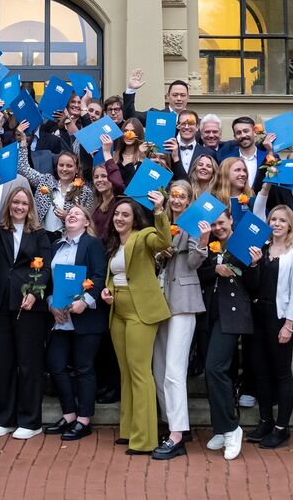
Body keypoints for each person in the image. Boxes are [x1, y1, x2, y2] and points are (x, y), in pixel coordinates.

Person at [0, 186, 54, 439]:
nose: (19, 207)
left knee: (29, 363)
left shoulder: (40, 235)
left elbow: (46, 267)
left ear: (30, 206)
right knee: (3, 362)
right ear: (8, 205)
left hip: (28, 305)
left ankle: (30, 421)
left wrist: (35, 291)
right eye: (15, 203)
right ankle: (4, 418)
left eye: (24, 203)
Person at [99, 194, 170, 456]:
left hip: (141, 311)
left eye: (125, 214)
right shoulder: (116, 244)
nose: (119, 218)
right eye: (117, 214)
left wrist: (160, 209)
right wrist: (107, 290)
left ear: (134, 218)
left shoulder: (144, 235)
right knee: (126, 372)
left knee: (140, 372)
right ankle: (129, 430)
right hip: (118, 310)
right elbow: (117, 276)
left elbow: (164, 241)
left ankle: (145, 439)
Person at [197, 210, 262, 460]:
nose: (217, 227)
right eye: (213, 223)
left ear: (231, 221)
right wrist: (215, 268)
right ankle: (221, 428)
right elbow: (198, 274)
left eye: (221, 222)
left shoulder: (245, 242)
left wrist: (255, 264)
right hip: (208, 313)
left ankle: (233, 428)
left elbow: (255, 284)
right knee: (212, 370)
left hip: (232, 315)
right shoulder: (209, 245)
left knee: (216, 368)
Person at [151, 180, 209, 460]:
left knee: (174, 368)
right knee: (159, 367)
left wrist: (204, 243)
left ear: (189, 200)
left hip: (184, 301)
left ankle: (177, 434)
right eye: (173, 194)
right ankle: (172, 423)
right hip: (160, 299)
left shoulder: (194, 223)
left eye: (182, 196)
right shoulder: (159, 220)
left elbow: (196, 262)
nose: (177, 199)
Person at [246, 205, 293, 450]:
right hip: (258, 316)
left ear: (290, 225)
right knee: (260, 371)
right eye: (273, 219)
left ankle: (282, 427)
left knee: (281, 374)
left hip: (280, 318)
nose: (277, 224)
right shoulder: (261, 249)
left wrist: (289, 325)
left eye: (282, 220)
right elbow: (251, 285)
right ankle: (265, 420)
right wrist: (253, 265)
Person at [44, 206, 107, 442]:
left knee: (83, 367)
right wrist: (51, 303)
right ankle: (69, 415)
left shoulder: (92, 244)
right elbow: (49, 282)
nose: (72, 214)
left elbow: (100, 275)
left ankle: (84, 420)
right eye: (69, 212)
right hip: (60, 317)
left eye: (78, 213)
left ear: (86, 222)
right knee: (56, 364)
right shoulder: (56, 246)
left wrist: (85, 301)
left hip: (85, 316)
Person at [16, 134, 94, 233]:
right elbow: (23, 169)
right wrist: (23, 142)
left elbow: (89, 221)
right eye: (61, 165)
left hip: (67, 239)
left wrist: (68, 216)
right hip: (42, 237)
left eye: (69, 166)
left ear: (77, 169)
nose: (64, 169)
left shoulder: (85, 191)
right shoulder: (46, 181)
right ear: (56, 167)